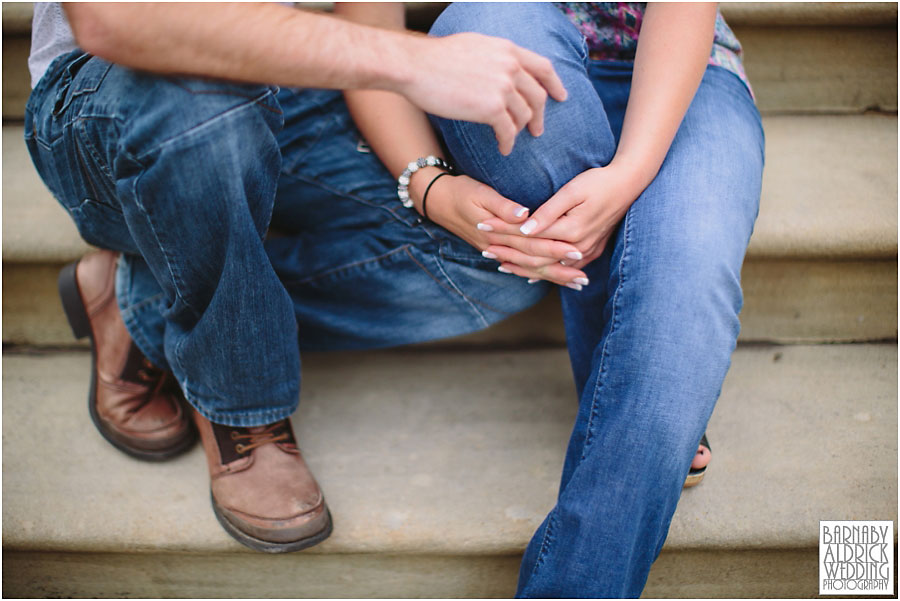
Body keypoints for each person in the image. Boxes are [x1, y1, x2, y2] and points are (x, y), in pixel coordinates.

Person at [25, 2, 569, 554]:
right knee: (203, 102)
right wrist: (417, 59)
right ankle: (239, 400)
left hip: (287, 84)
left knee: (505, 256)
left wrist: (433, 188)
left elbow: (368, 26)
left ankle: (137, 302)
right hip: (113, 92)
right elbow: (119, 20)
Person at [337, 2, 762, 597]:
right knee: (488, 22)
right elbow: (367, 35)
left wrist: (629, 175)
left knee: (684, 311)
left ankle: (650, 383)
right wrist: (430, 187)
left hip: (686, 76)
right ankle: (648, 390)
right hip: (519, 69)